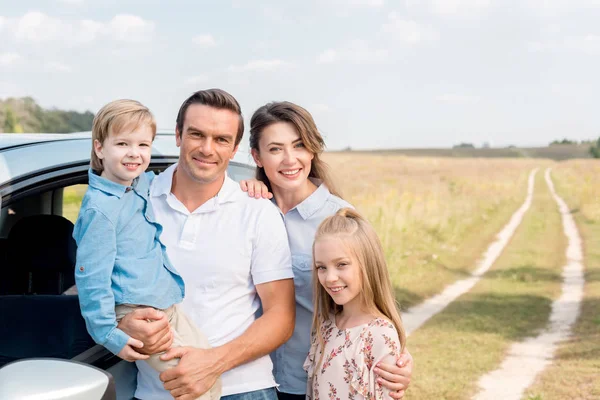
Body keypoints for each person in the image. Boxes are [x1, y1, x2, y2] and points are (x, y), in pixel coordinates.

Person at [116, 89, 296, 400]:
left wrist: (212, 364)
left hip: (242, 391)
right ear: (177, 135)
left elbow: (281, 317)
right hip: (155, 392)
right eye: (197, 134)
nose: (207, 149)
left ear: (235, 148)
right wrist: (122, 325)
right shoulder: (133, 202)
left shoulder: (257, 212)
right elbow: (102, 291)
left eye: (221, 139)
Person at [241, 101, 412, 399]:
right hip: (249, 379)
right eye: (275, 149)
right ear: (256, 156)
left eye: (299, 145)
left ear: (312, 150)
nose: (290, 159)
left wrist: (397, 355)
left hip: (314, 380)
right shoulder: (245, 210)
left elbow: (371, 297)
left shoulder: (339, 219)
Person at [73, 99, 220, 400]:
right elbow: (91, 281)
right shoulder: (100, 210)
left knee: (210, 374)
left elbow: (189, 175)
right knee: (192, 385)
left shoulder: (139, 183)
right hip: (138, 312)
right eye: (123, 143)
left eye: (143, 144)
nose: (134, 153)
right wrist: (110, 335)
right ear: (100, 148)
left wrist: (249, 185)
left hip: (167, 303)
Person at [304, 208, 406, 400]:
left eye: (341, 264)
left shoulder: (380, 334)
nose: (330, 277)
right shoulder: (325, 326)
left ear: (367, 264)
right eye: (321, 267)